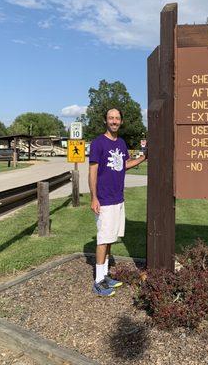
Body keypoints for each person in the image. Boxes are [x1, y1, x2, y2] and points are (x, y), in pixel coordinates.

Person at [88, 108, 147, 296]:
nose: (114, 121)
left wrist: (144, 156)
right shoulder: (98, 143)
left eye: (117, 118)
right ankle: (98, 281)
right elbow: (92, 172)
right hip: (104, 199)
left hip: (118, 198)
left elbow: (124, 164)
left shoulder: (121, 143)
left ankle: (105, 276)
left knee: (111, 237)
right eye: (111, 118)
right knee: (103, 239)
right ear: (106, 120)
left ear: (121, 121)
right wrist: (94, 197)